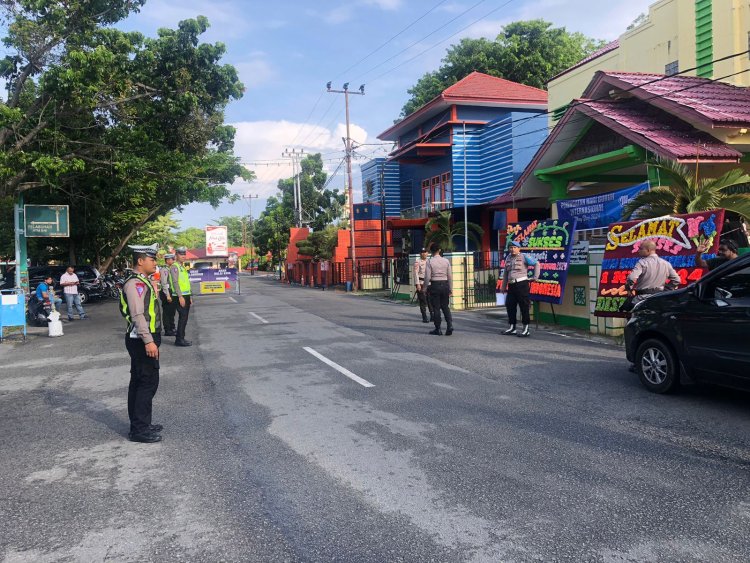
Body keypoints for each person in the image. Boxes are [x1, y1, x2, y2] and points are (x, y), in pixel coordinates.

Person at [120, 244, 163, 444]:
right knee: (146, 383)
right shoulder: (135, 283)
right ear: (140, 261)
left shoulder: (143, 281)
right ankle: (139, 429)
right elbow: (138, 314)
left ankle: (141, 424)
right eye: (152, 259)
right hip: (141, 339)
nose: (155, 262)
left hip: (141, 338)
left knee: (140, 382)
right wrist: (149, 341)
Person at [502, 241, 540, 337]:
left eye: (514, 247)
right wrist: (503, 286)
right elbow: (506, 273)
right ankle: (512, 327)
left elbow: (536, 264)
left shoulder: (524, 256)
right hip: (511, 285)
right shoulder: (508, 258)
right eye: (510, 247)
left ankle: (526, 329)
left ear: (519, 248)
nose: (512, 249)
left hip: (522, 284)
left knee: (524, 306)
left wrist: (535, 277)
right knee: (510, 305)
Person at [626, 240, 681, 305]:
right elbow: (677, 280)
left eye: (641, 248)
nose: (638, 251)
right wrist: (665, 290)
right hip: (658, 299)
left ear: (648, 250)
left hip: (642, 299)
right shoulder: (666, 263)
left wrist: (629, 289)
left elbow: (632, 278)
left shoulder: (642, 262)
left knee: (628, 312)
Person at [424, 243, 453, 336]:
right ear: (439, 250)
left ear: (431, 252)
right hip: (445, 285)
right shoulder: (446, 261)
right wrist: (450, 288)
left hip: (435, 285)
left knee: (436, 308)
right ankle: (450, 326)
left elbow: (427, 277)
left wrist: (424, 288)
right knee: (445, 306)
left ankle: (438, 328)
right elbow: (450, 276)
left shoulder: (429, 262)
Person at [169, 247, 192, 346]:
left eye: (184, 254)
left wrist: (189, 296)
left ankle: (181, 338)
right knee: (183, 318)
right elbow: (175, 282)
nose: (183, 256)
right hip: (179, 296)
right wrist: (180, 296)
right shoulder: (174, 267)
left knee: (185, 318)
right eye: (181, 254)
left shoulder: (182, 267)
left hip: (186, 295)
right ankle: (179, 339)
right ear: (176, 255)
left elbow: (186, 283)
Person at [413, 247, 433, 323]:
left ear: (427, 253)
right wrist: (417, 284)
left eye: (425, 252)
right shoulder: (417, 262)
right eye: (422, 252)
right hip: (421, 283)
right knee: (423, 300)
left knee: (430, 300)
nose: (423, 253)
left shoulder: (430, 261)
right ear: (420, 253)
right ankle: (424, 317)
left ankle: (432, 315)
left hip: (430, 283)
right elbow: (415, 274)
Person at [160, 253, 176, 336]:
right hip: (166, 292)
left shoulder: (170, 268)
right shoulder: (164, 269)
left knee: (172, 311)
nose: (173, 261)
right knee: (167, 312)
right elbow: (164, 283)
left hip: (171, 291)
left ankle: (172, 327)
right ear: (167, 260)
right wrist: (167, 295)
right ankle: (167, 329)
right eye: (172, 259)